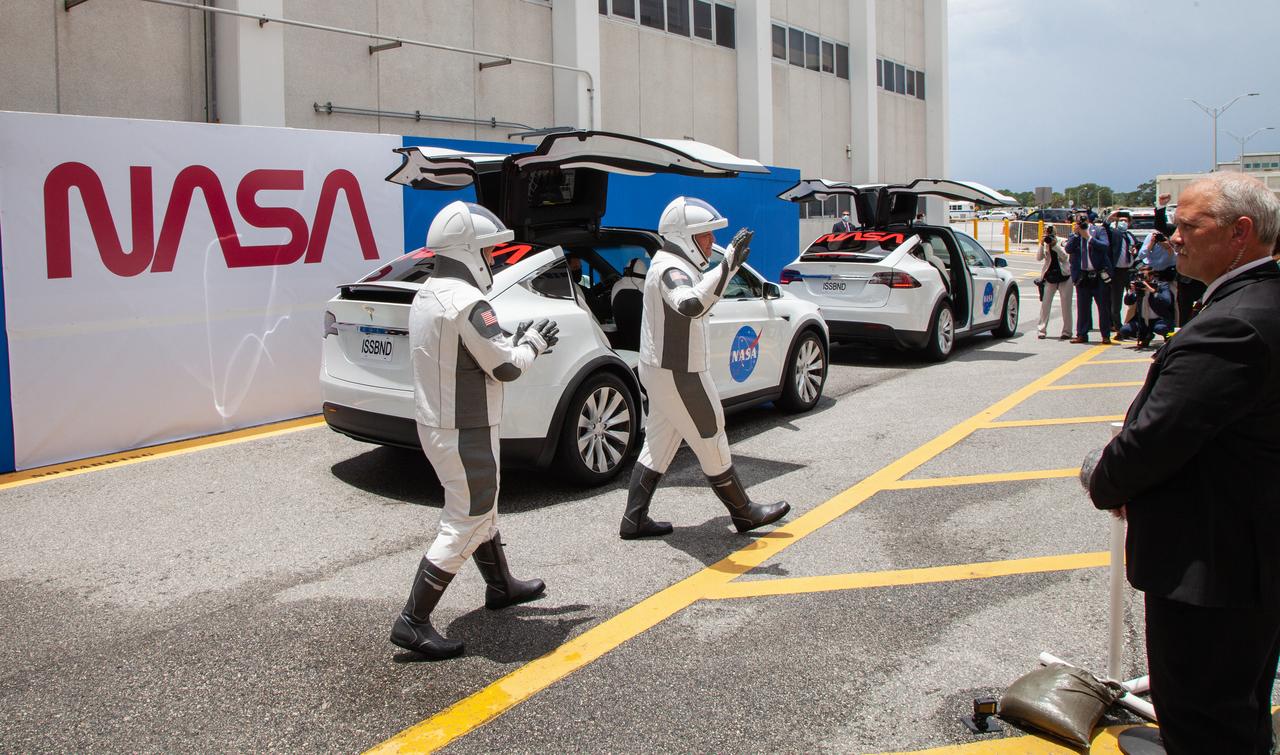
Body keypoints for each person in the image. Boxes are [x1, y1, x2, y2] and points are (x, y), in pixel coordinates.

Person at [1083, 173, 1280, 754]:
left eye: (1190, 225)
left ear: (1240, 233)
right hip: (1247, 561)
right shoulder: (1254, 303)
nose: (1174, 237)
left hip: (1214, 571)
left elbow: (1157, 440)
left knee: (1205, 721)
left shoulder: (1233, 325)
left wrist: (1103, 476)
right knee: (1235, 707)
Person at [390, 201, 561, 660]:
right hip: (465, 429)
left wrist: (514, 341)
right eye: (486, 252)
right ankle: (413, 620)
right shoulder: (468, 301)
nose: (490, 260)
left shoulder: (428, 293)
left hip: (440, 423)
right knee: (467, 518)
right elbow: (505, 366)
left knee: (480, 509)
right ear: (467, 251)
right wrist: (533, 344)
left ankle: (501, 585)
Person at [619, 196, 789, 539]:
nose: (711, 242)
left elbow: (696, 296)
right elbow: (691, 303)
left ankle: (634, 519)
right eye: (705, 235)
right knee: (711, 434)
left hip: (665, 369)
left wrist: (728, 268)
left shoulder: (671, 264)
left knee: (659, 443)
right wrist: (727, 265)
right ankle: (743, 512)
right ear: (683, 235)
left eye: (711, 235)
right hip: (678, 372)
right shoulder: (670, 268)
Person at [1157, 193, 1208, 327]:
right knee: (1184, 310)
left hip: (1205, 277)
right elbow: (1160, 226)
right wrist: (1161, 206)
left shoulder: (1210, 230)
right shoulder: (1179, 230)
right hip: (1186, 278)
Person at [1065, 219, 1113, 344]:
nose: (1081, 224)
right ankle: (1082, 334)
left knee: (1103, 307)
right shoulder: (1075, 235)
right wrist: (1076, 235)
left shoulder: (1098, 230)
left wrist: (1089, 238)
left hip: (1098, 275)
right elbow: (1068, 249)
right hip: (1082, 276)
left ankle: (1105, 335)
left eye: (1083, 221)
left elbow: (1104, 246)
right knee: (1083, 308)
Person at [1115, 265, 1174, 348]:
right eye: (1140, 276)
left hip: (1159, 319)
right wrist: (1131, 292)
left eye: (1145, 276)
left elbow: (1167, 301)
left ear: (1152, 276)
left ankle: (1167, 336)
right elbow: (1128, 302)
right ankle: (1146, 335)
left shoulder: (1161, 285)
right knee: (1124, 330)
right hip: (1142, 319)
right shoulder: (1138, 286)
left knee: (1160, 328)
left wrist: (1152, 291)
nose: (1143, 279)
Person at [1035, 226, 1073, 340]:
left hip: (1064, 276)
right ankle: (1041, 330)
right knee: (1045, 305)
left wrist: (1054, 245)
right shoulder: (1044, 242)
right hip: (1050, 277)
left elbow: (1065, 257)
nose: (1049, 233)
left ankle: (1067, 331)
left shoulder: (1062, 241)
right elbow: (1038, 258)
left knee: (1066, 305)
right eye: (1046, 231)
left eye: (1050, 231)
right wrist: (1042, 244)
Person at [1107, 212, 1140, 335]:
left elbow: (1137, 246)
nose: (1123, 223)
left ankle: (1133, 325)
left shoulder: (1130, 235)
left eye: (1126, 221)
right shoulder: (1114, 233)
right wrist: (1110, 219)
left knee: (1136, 299)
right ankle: (1117, 327)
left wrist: (1135, 249)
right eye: (1121, 220)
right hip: (1117, 272)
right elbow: (1105, 227)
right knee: (1116, 301)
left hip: (1129, 271)